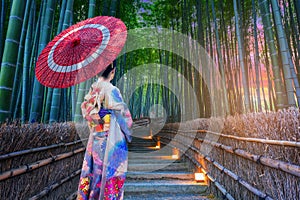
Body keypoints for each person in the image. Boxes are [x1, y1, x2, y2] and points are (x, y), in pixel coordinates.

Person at [77, 64, 133, 200]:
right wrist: (128, 132)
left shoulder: (92, 90)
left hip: (96, 135)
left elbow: (87, 112)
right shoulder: (112, 89)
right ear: (112, 72)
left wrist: (98, 119)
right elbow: (123, 114)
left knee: (94, 170)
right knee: (110, 171)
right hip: (110, 136)